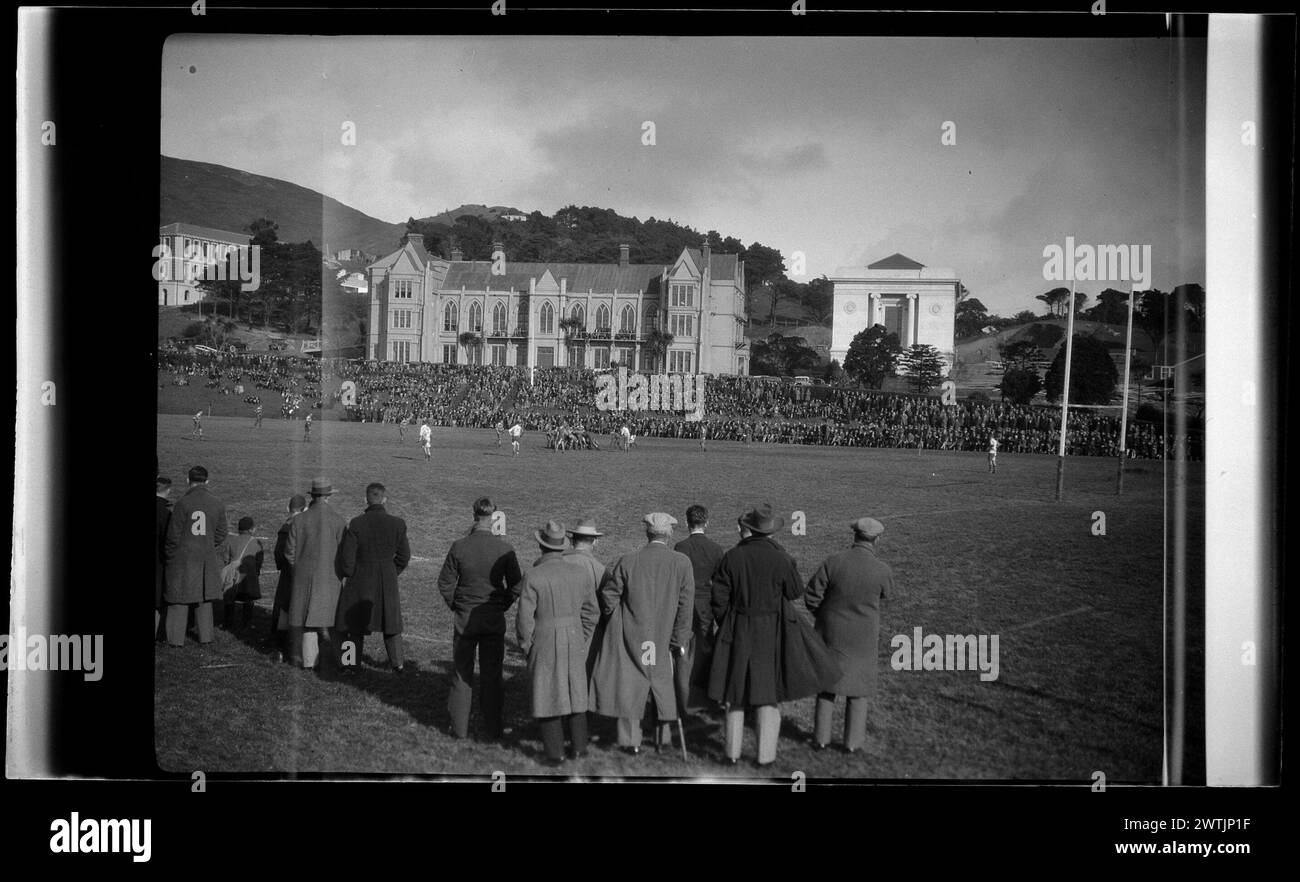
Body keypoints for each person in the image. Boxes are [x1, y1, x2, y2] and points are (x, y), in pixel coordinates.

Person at [708, 503, 841, 767]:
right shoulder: (781, 557)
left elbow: (719, 597)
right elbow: (794, 591)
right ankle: (765, 757)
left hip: (738, 627)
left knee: (735, 693)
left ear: (748, 529)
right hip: (772, 631)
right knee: (767, 693)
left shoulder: (732, 556)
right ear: (770, 532)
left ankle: (731, 755)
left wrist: (728, 622)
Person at [588, 512, 694, 755]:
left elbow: (609, 596)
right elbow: (685, 606)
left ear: (647, 532)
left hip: (631, 632)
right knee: (662, 684)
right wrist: (679, 639)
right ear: (669, 534)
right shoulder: (681, 563)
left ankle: (630, 741)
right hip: (664, 633)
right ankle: (662, 738)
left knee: (630, 684)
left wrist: (612, 617)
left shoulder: (629, 560)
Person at [436, 497, 524, 740]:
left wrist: (457, 604)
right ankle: (493, 727)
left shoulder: (459, 546)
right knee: (492, 674)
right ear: (493, 516)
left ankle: (459, 728)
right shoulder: (504, 549)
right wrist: (503, 603)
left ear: (474, 515)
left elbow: (445, 582)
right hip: (492, 618)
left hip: (465, 618)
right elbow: (517, 585)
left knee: (462, 673)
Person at [804, 517, 894, 753]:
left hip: (831, 634)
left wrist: (823, 616)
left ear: (854, 535)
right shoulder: (882, 570)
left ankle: (820, 739)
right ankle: (852, 744)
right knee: (859, 690)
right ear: (877, 540)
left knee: (826, 687)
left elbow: (812, 595)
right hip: (863, 639)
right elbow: (887, 595)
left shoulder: (834, 562)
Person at [516, 521, 600, 766]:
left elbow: (524, 620)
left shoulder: (533, 575)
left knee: (547, 694)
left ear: (541, 547)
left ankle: (555, 753)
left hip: (543, 640)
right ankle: (580, 748)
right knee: (575, 692)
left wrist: (527, 645)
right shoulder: (580, 573)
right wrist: (581, 637)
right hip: (574, 638)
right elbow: (591, 612)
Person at [336, 482, 411, 673]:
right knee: (391, 625)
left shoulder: (356, 523)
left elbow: (347, 559)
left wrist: (351, 575)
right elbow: (404, 556)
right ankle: (398, 665)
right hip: (387, 580)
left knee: (353, 624)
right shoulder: (397, 524)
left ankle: (350, 664)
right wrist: (391, 572)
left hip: (360, 580)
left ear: (365, 499)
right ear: (384, 499)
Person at [284, 478, 349, 671]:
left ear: (313, 496)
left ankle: (309, 662)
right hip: (330, 579)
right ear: (328, 497)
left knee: (307, 621)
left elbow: (289, 552)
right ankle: (344, 662)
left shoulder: (298, 520)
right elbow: (344, 554)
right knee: (334, 623)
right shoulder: (338, 520)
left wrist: (301, 569)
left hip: (303, 578)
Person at [163, 466, 228, 647]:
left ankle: (175, 640)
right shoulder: (217, 503)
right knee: (204, 597)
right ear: (207, 481)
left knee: (179, 597)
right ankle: (206, 636)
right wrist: (208, 544)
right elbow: (222, 532)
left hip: (183, 557)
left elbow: (173, 536)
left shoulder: (182, 503)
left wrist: (170, 556)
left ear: (187, 480)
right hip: (206, 556)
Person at [671, 504, 724, 722]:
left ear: (686, 522)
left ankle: (684, 702)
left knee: (684, 653)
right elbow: (720, 582)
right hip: (706, 605)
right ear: (707, 522)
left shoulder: (680, 547)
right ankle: (707, 700)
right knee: (706, 650)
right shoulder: (715, 549)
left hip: (684, 604)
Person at [271, 494, 308, 661]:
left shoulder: (285, 527)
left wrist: (282, 566)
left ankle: (279, 649)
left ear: (288, 509)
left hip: (287, 574)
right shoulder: (307, 525)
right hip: (303, 574)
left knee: (284, 610)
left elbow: (279, 553)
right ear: (305, 509)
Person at [220, 516, 265, 630]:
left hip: (234, 576)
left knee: (230, 598)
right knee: (248, 600)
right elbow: (259, 561)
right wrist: (256, 572)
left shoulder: (231, 541)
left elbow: (226, 559)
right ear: (251, 529)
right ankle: (246, 624)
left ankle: (228, 624)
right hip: (249, 577)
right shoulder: (256, 542)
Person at [155, 476, 173, 639]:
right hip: (159, 561)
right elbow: (169, 541)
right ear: (168, 490)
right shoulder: (166, 514)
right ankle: (158, 632)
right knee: (158, 599)